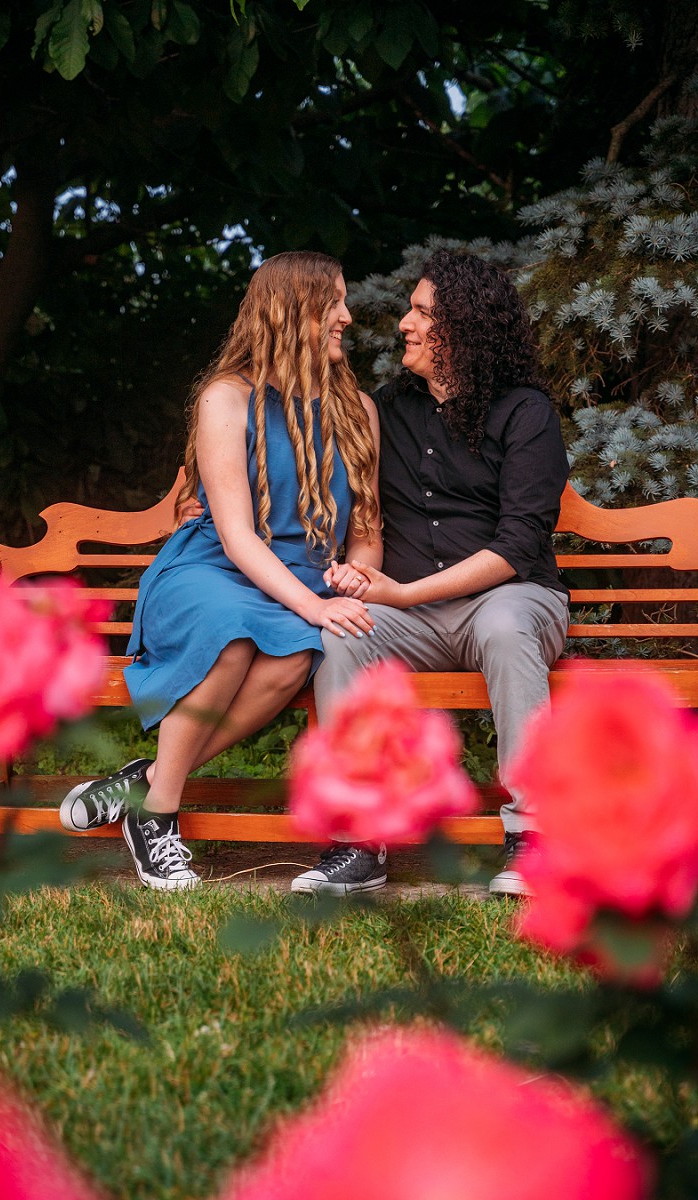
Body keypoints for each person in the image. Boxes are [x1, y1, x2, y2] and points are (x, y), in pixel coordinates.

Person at [59, 251, 382, 889]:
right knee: (234, 636)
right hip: (213, 571)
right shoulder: (226, 400)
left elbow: (369, 534)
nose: (348, 316)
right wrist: (314, 606)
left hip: (298, 580)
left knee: (294, 658)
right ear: (295, 313)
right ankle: (158, 816)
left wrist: (356, 576)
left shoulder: (357, 412)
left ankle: (149, 778)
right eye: (335, 303)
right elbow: (236, 536)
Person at [291, 248, 570, 899]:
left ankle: (534, 837)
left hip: (511, 599)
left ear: (463, 328)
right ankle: (359, 842)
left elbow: (517, 546)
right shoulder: (389, 408)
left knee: (503, 624)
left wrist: (405, 591)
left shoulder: (524, 413)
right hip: (408, 618)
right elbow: (319, 469)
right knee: (341, 635)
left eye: (421, 313)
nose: (403, 325)